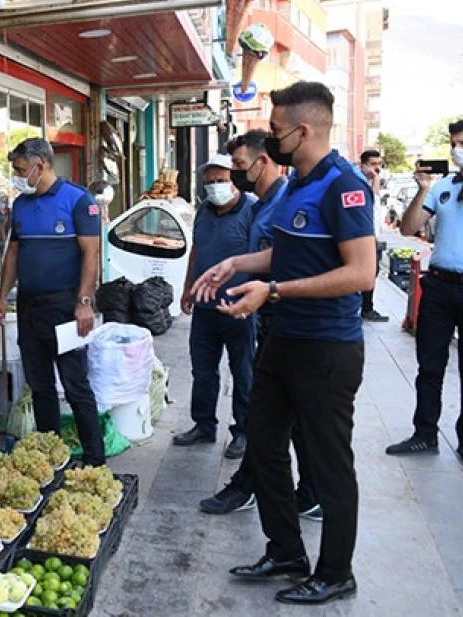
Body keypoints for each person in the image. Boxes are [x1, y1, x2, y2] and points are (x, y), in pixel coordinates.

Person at [192, 81, 375, 604]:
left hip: (327, 348)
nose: (269, 141)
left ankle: (336, 572)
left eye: (275, 131)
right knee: (264, 444)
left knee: (328, 462)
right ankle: (286, 551)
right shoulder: (295, 183)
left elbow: (361, 273)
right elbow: (286, 255)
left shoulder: (345, 186)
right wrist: (235, 263)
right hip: (285, 340)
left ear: (303, 130)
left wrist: (272, 291)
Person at [199, 130, 321, 520]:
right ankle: (271, 487)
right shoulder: (266, 204)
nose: (234, 176)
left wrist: (264, 291)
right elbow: (268, 256)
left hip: (295, 325)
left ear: (262, 162)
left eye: (237, 167)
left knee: (277, 414)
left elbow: (295, 260)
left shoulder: (286, 200)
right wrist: (232, 266)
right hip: (272, 321)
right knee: (272, 415)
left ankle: (284, 489)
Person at [0, 138, 104, 466]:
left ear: (40, 165)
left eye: (20, 170)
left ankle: (95, 461)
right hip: (28, 307)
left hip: (65, 307)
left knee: (74, 385)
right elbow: (13, 253)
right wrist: (2, 298)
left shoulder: (79, 200)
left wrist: (84, 302)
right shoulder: (21, 205)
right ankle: (51, 458)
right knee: (39, 386)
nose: (17, 176)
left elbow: (91, 254)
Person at [386, 117, 463, 467]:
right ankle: (424, 434)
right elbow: (410, 227)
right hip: (440, 285)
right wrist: (423, 189)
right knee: (430, 364)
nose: (458, 150)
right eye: (454, 143)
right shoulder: (442, 186)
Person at [174, 154, 256, 459]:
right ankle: (204, 424)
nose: (215, 187)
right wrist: (187, 288)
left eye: (221, 181)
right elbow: (196, 250)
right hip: (206, 307)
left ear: (234, 180)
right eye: (209, 182)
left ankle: (244, 431)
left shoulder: (253, 209)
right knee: (203, 369)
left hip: (239, 307)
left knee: (243, 370)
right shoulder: (204, 212)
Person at [358, 149, 389, 322]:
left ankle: (367, 306)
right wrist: (375, 179)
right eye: (372, 164)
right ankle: (366, 308)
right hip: (364, 237)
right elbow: (373, 198)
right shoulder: (359, 182)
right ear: (363, 165)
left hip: (373, 237)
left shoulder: (369, 181)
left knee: (373, 272)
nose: (376, 168)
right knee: (368, 272)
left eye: (379, 164)